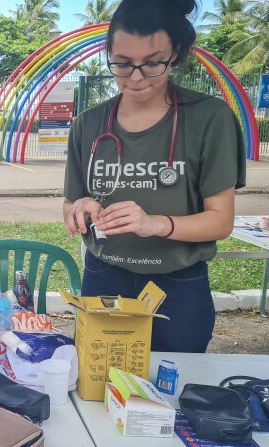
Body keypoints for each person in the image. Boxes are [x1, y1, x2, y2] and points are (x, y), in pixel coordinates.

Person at [63, 0, 246, 353]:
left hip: (177, 285)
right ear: (109, 55)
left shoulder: (210, 120)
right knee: (99, 384)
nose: (134, 77)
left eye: (152, 64)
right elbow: (71, 202)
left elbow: (221, 222)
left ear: (175, 54)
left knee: (169, 390)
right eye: (122, 64)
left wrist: (154, 224)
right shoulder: (88, 124)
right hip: (104, 277)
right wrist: (78, 207)